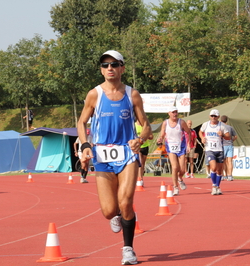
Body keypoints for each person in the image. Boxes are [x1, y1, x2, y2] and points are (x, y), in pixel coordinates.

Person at [77, 50, 152, 265]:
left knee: (126, 201)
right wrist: (85, 145)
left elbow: (147, 126)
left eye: (114, 64)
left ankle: (128, 249)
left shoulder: (132, 94)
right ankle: (117, 214)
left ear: (122, 68)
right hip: (102, 155)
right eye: (104, 64)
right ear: (101, 69)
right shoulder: (94, 94)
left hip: (127, 153)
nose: (109, 68)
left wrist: (139, 139)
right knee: (109, 211)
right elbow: (81, 122)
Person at [157, 106, 191, 196]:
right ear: (169, 113)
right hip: (170, 147)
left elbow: (189, 132)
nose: (175, 114)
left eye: (176, 112)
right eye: (173, 112)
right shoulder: (165, 123)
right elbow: (162, 134)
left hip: (181, 146)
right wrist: (160, 139)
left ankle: (180, 178)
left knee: (182, 170)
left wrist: (188, 144)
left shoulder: (181, 122)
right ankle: (175, 187)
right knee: (175, 167)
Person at [199, 109, 230, 195]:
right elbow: (200, 132)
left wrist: (223, 135)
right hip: (209, 149)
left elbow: (228, 137)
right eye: (212, 116)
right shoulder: (205, 125)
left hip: (219, 150)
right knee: (213, 168)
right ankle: (213, 186)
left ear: (218, 117)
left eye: (215, 116)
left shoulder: (222, 126)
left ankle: (218, 187)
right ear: (209, 116)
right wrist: (202, 138)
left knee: (219, 171)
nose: (213, 117)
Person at [135, 120, 153, 186]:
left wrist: (146, 136)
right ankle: (140, 179)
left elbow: (151, 136)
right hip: (138, 146)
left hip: (145, 146)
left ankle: (141, 178)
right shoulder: (134, 125)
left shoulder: (146, 126)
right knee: (140, 163)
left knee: (143, 164)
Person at [221, 115, 237, 181]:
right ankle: (230, 175)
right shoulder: (230, 127)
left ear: (221, 121)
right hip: (230, 145)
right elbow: (235, 136)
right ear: (227, 120)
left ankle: (223, 175)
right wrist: (231, 140)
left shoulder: (220, 127)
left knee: (223, 161)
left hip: (223, 145)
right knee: (229, 161)